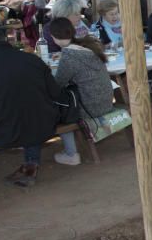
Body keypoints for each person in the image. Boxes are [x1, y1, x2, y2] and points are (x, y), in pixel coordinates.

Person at [0, 20, 61, 187]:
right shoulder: (33, 60)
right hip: (42, 125)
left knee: (17, 113)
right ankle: (31, 165)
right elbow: (55, 93)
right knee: (30, 112)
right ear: (6, 40)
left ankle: (30, 166)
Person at [47, 17, 116, 166]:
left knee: (61, 110)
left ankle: (71, 154)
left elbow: (58, 84)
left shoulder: (70, 55)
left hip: (90, 108)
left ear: (53, 37)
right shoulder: (87, 47)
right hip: (105, 102)